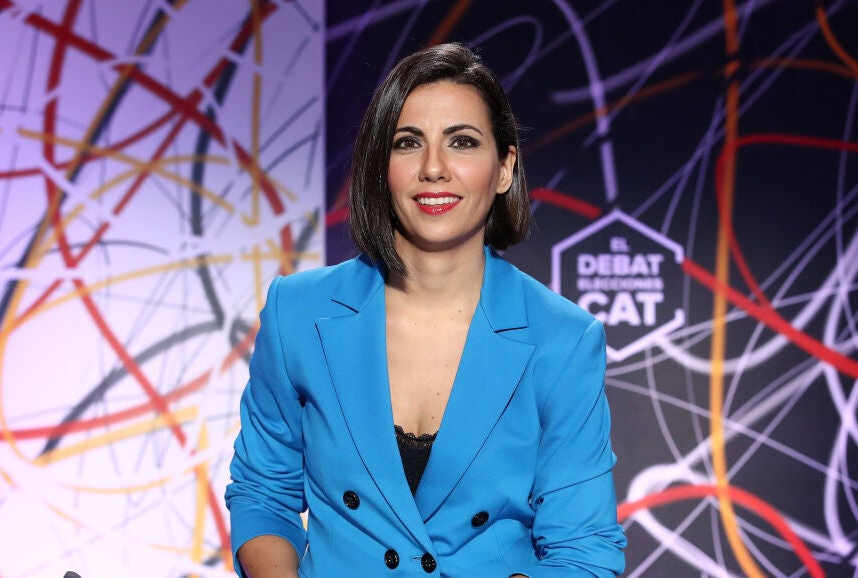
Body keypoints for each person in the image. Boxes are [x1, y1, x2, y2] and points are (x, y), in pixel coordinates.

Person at [226, 43, 626, 577]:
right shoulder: (296, 313)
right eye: (408, 143)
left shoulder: (563, 339)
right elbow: (263, 495)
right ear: (381, 167)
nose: (434, 168)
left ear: (504, 168)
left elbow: (584, 551)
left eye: (462, 142)